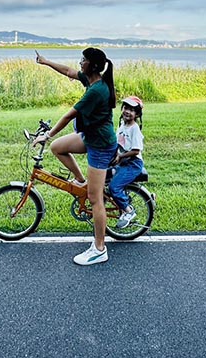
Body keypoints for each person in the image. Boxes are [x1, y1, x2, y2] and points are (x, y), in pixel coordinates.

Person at [34, 48, 117, 265]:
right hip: (90, 137)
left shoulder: (97, 91)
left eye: (84, 60)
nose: (80, 63)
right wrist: (45, 62)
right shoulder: (91, 81)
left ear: (93, 65)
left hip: (100, 146)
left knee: (94, 199)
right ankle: (80, 180)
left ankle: (100, 248)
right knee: (58, 148)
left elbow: (70, 114)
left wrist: (47, 135)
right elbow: (69, 71)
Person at [110, 96, 145, 229]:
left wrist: (120, 156)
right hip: (123, 161)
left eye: (131, 110)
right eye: (125, 108)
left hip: (133, 163)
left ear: (137, 114)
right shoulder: (122, 125)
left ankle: (129, 211)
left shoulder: (134, 128)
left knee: (114, 187)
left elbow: (136, 150)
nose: (127, 112)